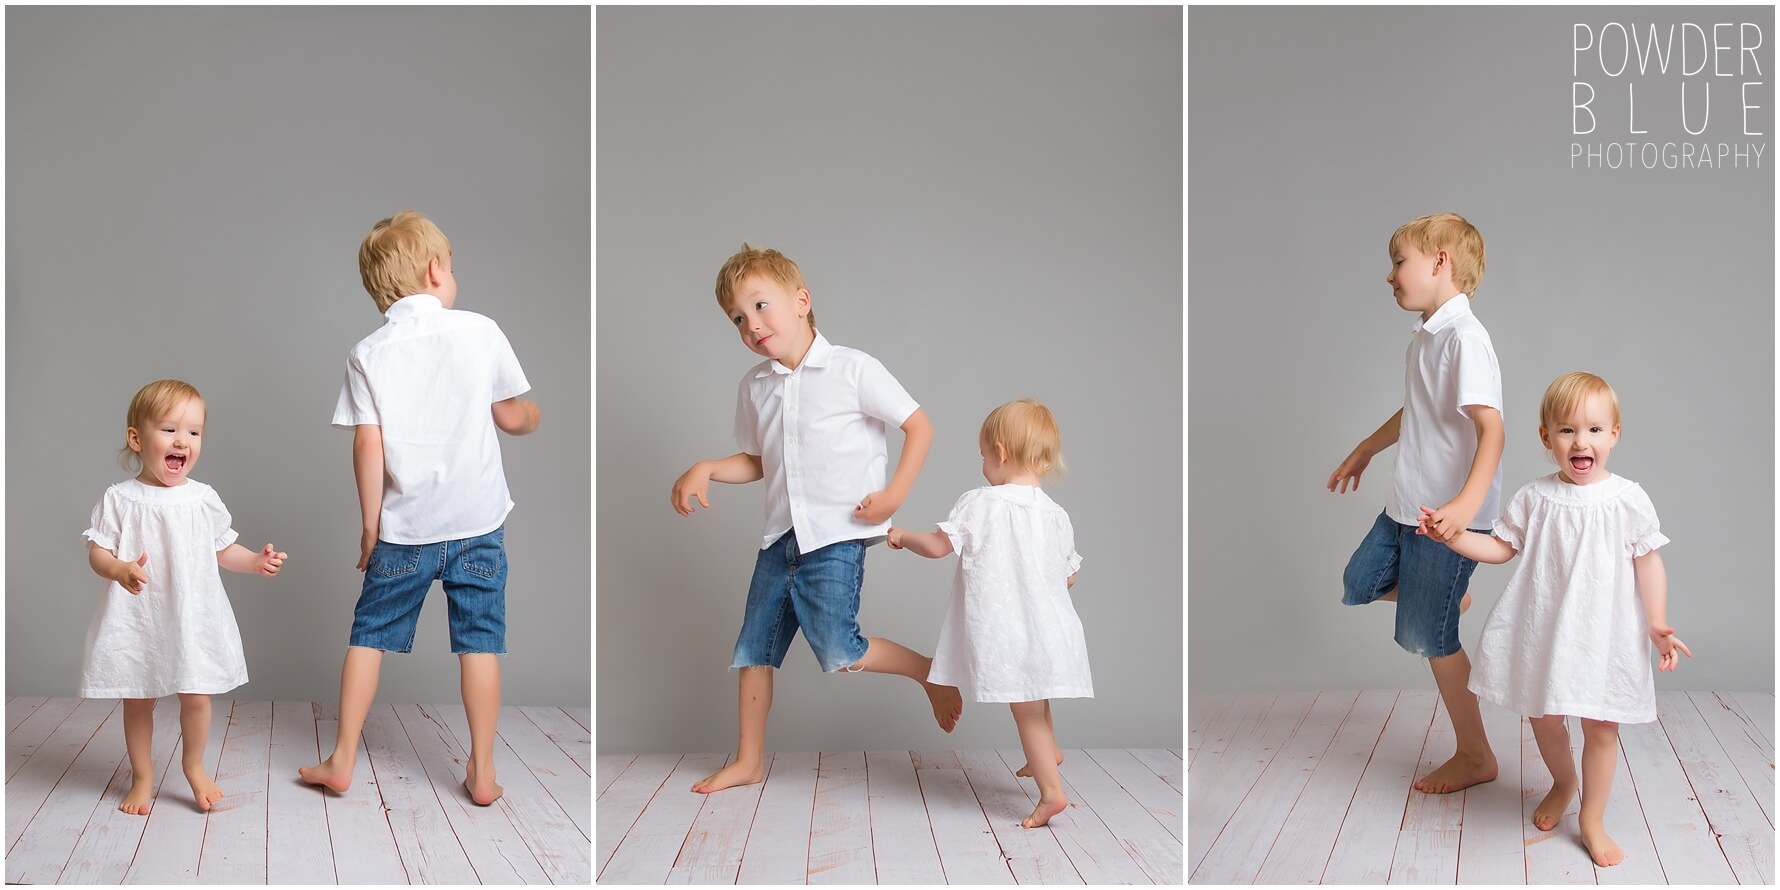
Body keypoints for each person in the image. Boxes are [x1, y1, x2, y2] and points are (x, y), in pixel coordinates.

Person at [670, 243, 960, 795]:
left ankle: (927, 670)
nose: (751, 325)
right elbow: (759, 460)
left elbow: (919, 426)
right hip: (779, 537)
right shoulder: (755, 387)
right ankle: (749, 759)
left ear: (801, 301)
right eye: (737, 318)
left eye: (760, 306)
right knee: (754, 649)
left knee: (838, 648)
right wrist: (706, 467)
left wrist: (894, 494)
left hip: (836, 535)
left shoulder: (853, 368)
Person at [299, 210, 540, 806]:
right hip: (478, 523)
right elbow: (514, 417)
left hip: (404, 529)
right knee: (480, 642)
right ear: (437, 271)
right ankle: (482, 771)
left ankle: (343, 758)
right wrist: (531, 415)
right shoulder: (480, 331)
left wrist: (369, 525)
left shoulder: (367, 352)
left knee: (369, 636)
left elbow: (367, 444)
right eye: (450, 266)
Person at [1425, 371, 1688, 867]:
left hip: (1604, 630)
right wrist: (1453, 536)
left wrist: (1657, 621)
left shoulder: (1627, 498)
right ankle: (1564, 781)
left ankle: (1592, 817)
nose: (1580, 441)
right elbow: (1501, 548)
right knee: (1545, 718)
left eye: (1593, 429)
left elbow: (1648, 560)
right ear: (1547, 439)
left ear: (1614, 434)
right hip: (1546, 627)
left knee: (1601, 725)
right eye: (1566, 430)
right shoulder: (1536, 496)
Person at [1327, 211, 1505, 794]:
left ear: (1440, 263)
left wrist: (1464, 506)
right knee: (1360, 581)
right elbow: (1418, 411)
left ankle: (1476, 754)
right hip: (1407, 505)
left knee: (1427, 638)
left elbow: (1492, 428)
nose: (1390, 275)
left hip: (1444, 518)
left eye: (1398, 261)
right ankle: (1446, 595)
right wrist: (1365, 449)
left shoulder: (1465, 339)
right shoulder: (1426, 338)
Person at [82, 379, 288, 814]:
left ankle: (193, 766)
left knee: (197, 695)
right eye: (170, 430)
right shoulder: (120, 499)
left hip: (192, 615)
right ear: (137, 439)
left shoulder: (202, 498)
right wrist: (119, 568)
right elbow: (98, 552)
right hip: (140, 616)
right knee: (139, 699)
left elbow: (221, 548)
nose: (183, 441)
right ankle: (141, 777)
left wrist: (253, 561)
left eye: (193, 432)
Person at [888, 398, 1089, 829]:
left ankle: (1052, 793)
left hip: (1009, 632)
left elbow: (940, 547)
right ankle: (1049, 754)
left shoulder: (981, 503)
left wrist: (902, 535)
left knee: (1026, 709)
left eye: (983, 456)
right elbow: (1068, 576)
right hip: (1050, 628)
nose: (983, 465)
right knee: (1038, 695)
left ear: (999, 453)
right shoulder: (1056, 515)